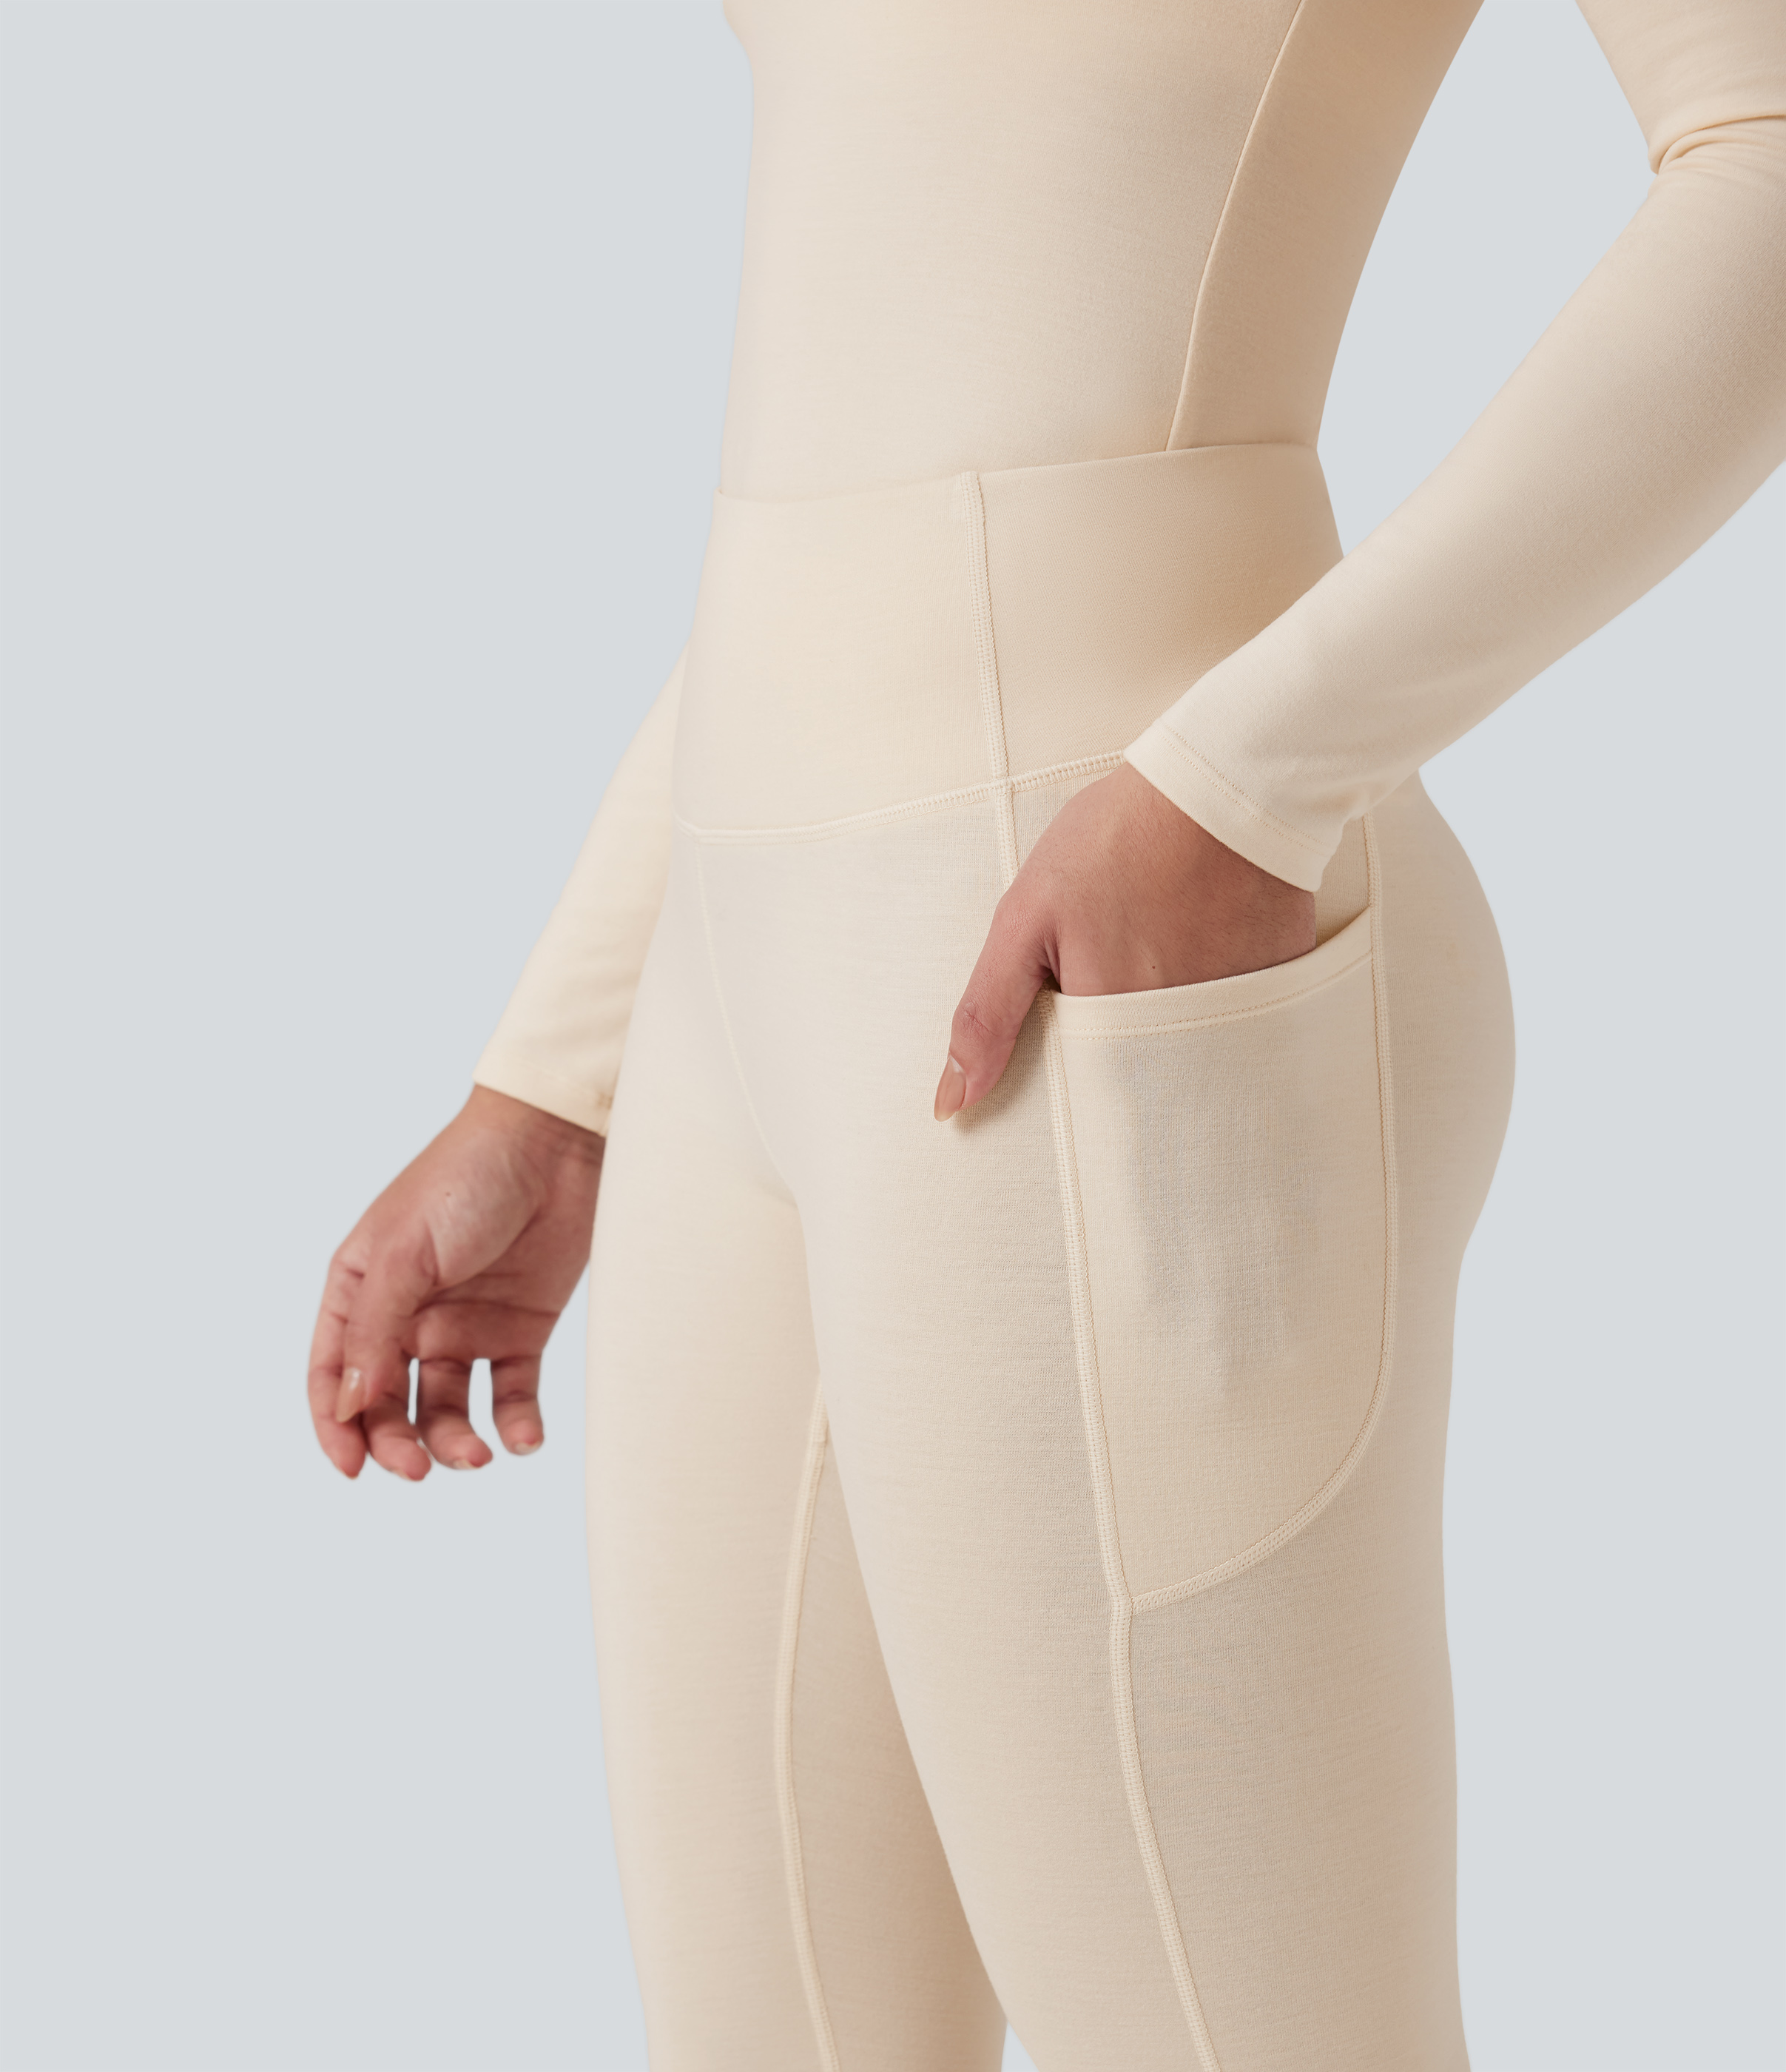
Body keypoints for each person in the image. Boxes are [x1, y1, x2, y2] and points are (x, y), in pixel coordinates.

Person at [306, 4, 1785, 2065]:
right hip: (736, 992)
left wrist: (1250, 780)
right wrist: (556, 1079)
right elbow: (872, 448)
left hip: (1127, 955)